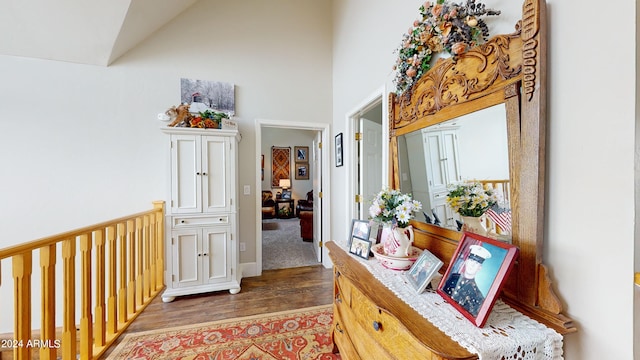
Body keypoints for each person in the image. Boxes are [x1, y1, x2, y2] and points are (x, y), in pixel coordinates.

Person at [442, 244, 491, 316]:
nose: (472, 265)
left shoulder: (477, 295)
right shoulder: (453, 277)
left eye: (476, 263)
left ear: (479, 268)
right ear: (466, 262)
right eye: (471, 260)